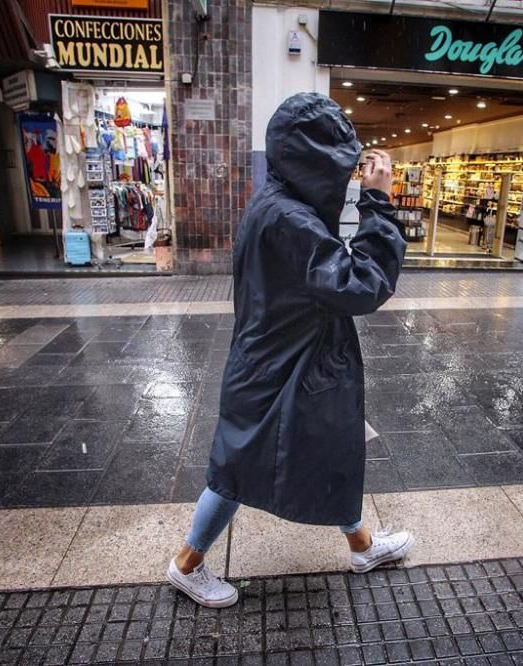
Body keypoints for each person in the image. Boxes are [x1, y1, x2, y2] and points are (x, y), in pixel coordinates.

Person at [168, 92, 412, 608]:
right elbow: (361, 284)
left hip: (287, 357)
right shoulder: (290, 218)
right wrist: (379, 203)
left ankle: (362, 546)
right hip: (281, 366)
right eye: (340, 166)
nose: (347, 177)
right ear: (313, 163)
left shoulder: (276, 201)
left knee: (334, 450)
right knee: (237, 466)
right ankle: (186, 565)